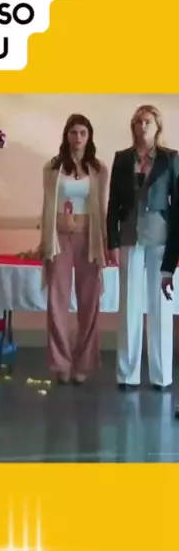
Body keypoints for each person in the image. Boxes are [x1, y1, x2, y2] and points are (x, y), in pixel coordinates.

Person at [107, 104, 179, 390]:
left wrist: (174, 251)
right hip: (129, 236)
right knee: (129, 305)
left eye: (148, 121)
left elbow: (177, 206)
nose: (143, 126)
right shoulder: (122, 159)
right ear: (133, 126)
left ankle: (162, 376)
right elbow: (113, 203)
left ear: (157, 126)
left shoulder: (170, 158)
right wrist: (112, 240)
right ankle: (127, 375)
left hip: (159, 237)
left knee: (160, 306)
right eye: (138, 121)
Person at [40, 114, 108, 384]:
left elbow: (101, 208)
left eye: (82, 133)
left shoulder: (99, 169)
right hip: (59, 237)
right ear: (66, 136)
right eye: (73, 132)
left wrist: (106, 243)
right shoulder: (52, 167)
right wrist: (44, 240)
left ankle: (84, 362)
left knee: (89, 301)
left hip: (88, 239)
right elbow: (46, 205)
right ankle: (61, 363)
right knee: (57, 301)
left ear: (89, 137)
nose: (77, 137)